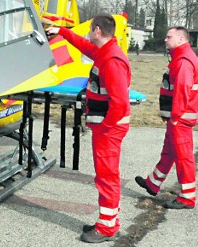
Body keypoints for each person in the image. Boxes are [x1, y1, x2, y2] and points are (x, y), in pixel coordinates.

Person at [46, 15, 131, 243]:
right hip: (105, 127)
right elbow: (83, 45)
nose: (87, 35)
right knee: (105, 176)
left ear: (97, 30)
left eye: (90, 31)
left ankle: (106, 229)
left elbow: (120, 103)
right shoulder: (105, 51)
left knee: (106, 177)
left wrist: (105, 127)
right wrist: (62, 32)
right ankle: (108, 222)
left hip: (108, 130)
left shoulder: (111, 60)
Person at [135, 26, 198, 209]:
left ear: (181, 40)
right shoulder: (181, 57)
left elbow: (182, 91)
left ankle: (187, 198)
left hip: (180, 118)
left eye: (169, 37)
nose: (165, 40)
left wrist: (175, 117)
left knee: (183, 157)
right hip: (178, 117)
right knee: (170, 151)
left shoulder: (183, 61)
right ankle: (153, 183)